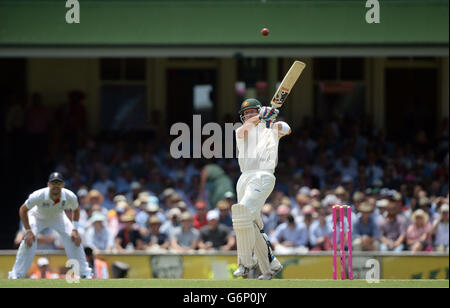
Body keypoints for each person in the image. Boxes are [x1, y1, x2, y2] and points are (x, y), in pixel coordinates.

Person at [231, 98, 291, 280]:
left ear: (259, 111)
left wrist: (273, 119)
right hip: (244, 178)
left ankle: (245, 263)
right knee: (252, 223)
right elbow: (244, 130)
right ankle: (270, 266)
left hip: (262, 175)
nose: (249, 115)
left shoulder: (271, 128)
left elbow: (287, 129)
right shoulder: (241, 131)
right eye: (246, 113)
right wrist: (259, 116)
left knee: (242, 212)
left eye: (252, 111)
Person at [9, 172, 92, 279]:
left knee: (73, 238)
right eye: (53, 183)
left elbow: (76, 209)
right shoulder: (38, 195)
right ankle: (16, 274)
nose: (56, 186)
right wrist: (28, 231)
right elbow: (23, 210)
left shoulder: (69, 195)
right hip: (37, 217)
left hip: (58, 217)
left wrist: (75, 229)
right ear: (48, 184)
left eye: (58, 183)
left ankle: (84, 273)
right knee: (29, 240)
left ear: (63, 185)